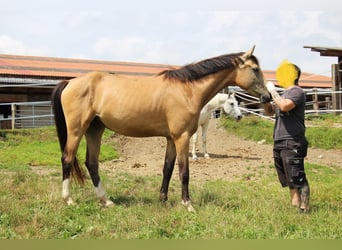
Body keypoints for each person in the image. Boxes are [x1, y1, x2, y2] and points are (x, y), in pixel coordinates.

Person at [265, 60, 310, 213]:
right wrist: (265, 100)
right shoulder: (283, 94)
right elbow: (270, 111)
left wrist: (272, 91)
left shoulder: (297, 92)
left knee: (297, 175)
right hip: (279, 139)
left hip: (292, 140)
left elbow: (284, 106)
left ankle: (305, 208)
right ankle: (295, 205)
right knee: (288, 177)